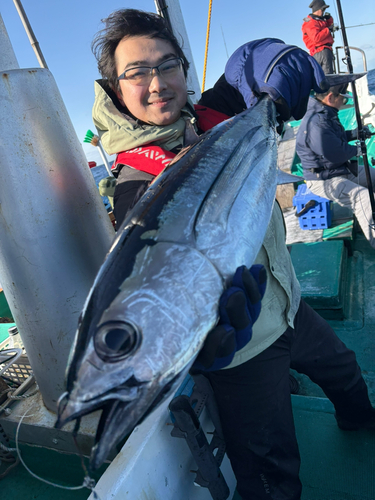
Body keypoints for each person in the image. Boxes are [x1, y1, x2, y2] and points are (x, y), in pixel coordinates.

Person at [91, 9, 375, 499]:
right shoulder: (139, 189)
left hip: (288, 303)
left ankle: (359, 424)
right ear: (116, 88)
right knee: (271, 472)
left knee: (346, 372)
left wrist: (276, 65)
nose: (156, 82)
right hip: (244, 353)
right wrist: (202, 341)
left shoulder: (211, 117)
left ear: (184, 71)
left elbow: (249, 63)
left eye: (167, 65)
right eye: (136, 72)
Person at [296, 84, 375, 248]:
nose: (343, 100)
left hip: (337, 170)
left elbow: (335, 139)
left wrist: (354, 134)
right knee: (362, 197)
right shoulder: (317, 122)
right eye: (342, 96)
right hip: (323, 179)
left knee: (373, 176)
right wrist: (357, 150)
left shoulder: (326, 113)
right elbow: (333, 152)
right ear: (330, 97)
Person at [302, 0, 339, 74]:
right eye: (323, 9)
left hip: (323, 51)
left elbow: (327, 26)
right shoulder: (311, 22)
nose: (324, 11)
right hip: (321, 52)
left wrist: (329, 19)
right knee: (327, 77)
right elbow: (316, 38)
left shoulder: (318, 20)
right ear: (318, 10)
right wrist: (328, 30)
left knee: (324, 77)